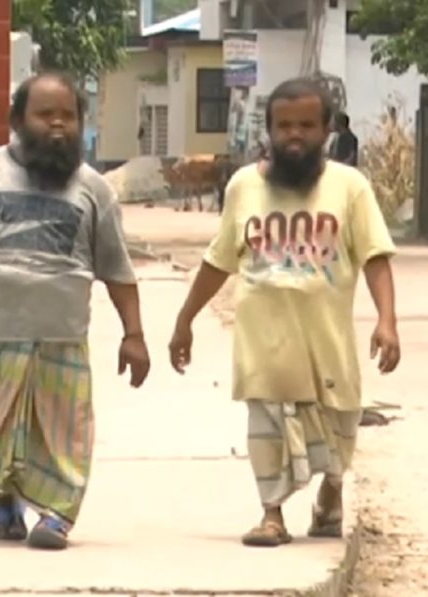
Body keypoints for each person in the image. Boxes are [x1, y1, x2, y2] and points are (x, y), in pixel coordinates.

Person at [0, 71, 151, 551]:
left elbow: (117, 269)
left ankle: (58, 513)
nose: (57, 124)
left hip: (61, 335)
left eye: (68, 116)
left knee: (65, 428)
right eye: (45, 115)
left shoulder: (94, 189)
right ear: (18, 120)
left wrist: (134, 334)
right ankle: (5, 499)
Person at [167, 77, 400, 547]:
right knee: (266, 426)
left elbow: (375, 256)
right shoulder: (244, 186)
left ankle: (331, 492)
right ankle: (271, 514)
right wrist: (184, 320)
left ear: (327, 129)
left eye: (306, 126)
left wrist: (387, 321)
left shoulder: (350, 187)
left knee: (340, 425)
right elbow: (219, 260)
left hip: (326, 342)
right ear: (269, 130)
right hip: (264, 343)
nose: (295, 135)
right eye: (284, 126)